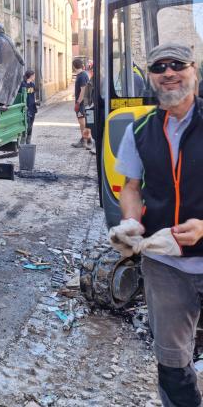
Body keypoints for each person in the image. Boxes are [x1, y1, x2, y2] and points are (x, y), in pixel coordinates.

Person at [111, 42, 203, 406]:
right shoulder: (141, 130)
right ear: (151, 77)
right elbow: (131, 187)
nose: (168, 72)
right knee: (172, 362)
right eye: (159, 67)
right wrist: (131, 222)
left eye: (177, 64)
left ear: (194, 70)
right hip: (165, 265)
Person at [71, 58, 93, 150]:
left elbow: (83, 90)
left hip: (82, 103)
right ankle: (85, 140)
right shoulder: (82, 75)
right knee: (83, 123)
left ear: (74, 66)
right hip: (83, 103)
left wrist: (78, 103)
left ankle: (87, 141)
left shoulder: (82, 76)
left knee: (82, 123)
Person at [20, 70, 37, 144]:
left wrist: (35, 102)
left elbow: (32, 95)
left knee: (31, 125)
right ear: (30, 76)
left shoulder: (32, 85)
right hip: (26, 108)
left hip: (32, 108)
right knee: (26, 125)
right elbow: (22, 96)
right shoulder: (23, 84)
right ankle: (22, 142)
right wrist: (24, 105)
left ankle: (28, 142)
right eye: (34, 75)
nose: (34, 77)